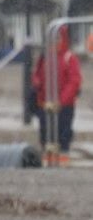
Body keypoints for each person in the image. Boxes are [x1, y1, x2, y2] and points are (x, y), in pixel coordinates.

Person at [32, 27, 81, 162]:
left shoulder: (69, 58)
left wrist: (62, 100)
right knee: (45, 131)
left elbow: (74, 82)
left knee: (63, 131)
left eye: (58, 38)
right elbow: (37, 76)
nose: (54, 41)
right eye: (52, 38)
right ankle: (48, 155)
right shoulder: (45, 57)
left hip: (64, 105)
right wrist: (37, 87)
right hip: (45, 103)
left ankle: (63, 155)